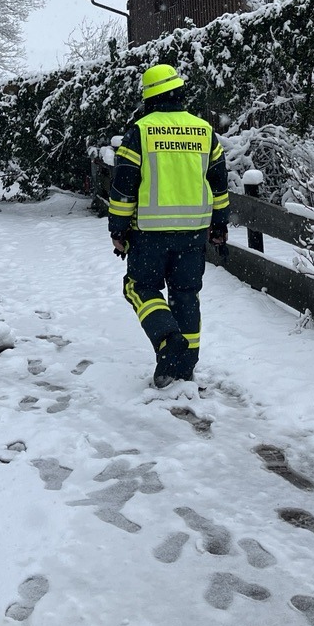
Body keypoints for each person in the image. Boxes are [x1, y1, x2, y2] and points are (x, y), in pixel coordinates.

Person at [107, 63, 230, 388]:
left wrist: (118, 229)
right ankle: (182, 366)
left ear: (149, 96)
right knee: (186, 295)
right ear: (179, 91)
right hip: (192, 233)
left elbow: (123, 186)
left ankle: (166, 340)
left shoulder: (141, 131)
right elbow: (218, 184)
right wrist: (219, 225)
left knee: (139, 287)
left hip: (149, 233)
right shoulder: (204, 130)